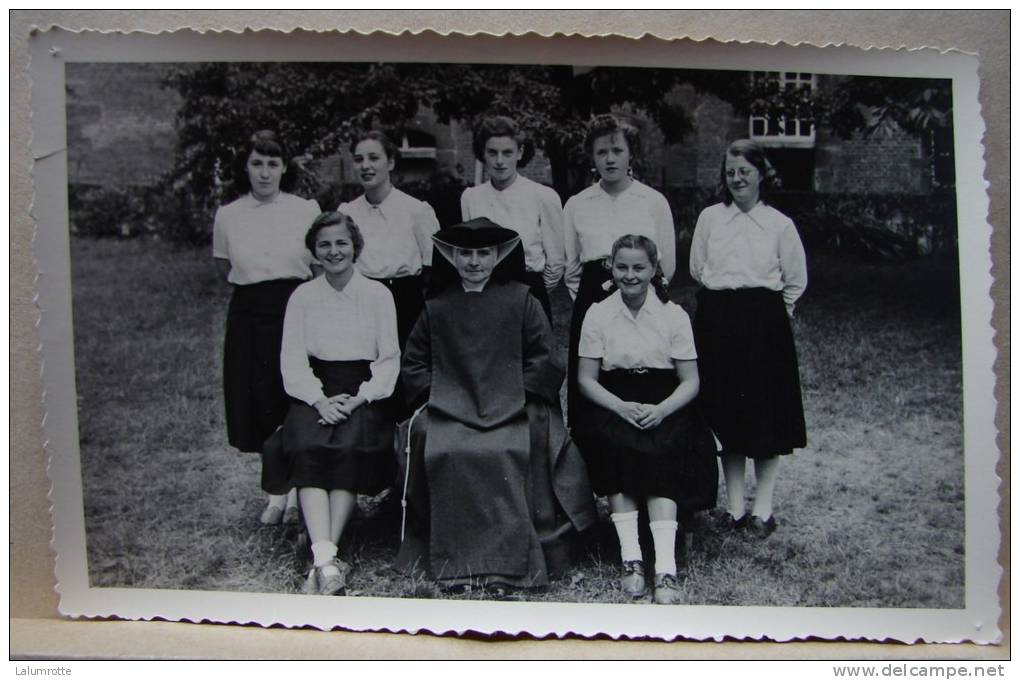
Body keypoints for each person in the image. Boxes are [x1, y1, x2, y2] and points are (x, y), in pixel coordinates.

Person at [394, 217, 596, 595]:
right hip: (451, 409)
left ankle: (510, 562)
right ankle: (454, 562)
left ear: (497, 256)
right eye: (465, 254)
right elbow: (415, 364)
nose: (474, 262)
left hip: (512, 407)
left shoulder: (522, 300)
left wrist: (511, 394)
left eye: (483, 253)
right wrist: (447, 396)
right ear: (452, 258)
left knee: (507, 447)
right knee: (445, 446)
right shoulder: (436, 307)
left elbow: (546, 359)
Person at [261, 212, 399, 596]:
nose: (333, 251)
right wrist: (319, 400)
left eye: (341, 242)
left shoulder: (378, 295)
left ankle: (322, 558)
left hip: (362, 393)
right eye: (324, 244)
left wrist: (359, 400)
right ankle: (327, 562)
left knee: (348, 446)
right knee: (308, 445)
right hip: (315, 391)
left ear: (355, 246)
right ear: (314, 252)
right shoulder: (303, 296)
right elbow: (292, 361)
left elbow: (389, 360)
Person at [574, 234, 717, 605]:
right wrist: (620, 407)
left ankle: (665, 566)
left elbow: (691, 381)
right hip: (614, 400)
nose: (630, 275)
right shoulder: (597, 313)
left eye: (639, 267)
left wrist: (661, 410)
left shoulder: (673, 316)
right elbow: (586, 379)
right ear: (611, 268)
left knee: (664, 450)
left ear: (654, 270)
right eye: (622, 267)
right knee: (614, 446)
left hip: (665, 400)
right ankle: (631, 559)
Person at [689, 139, 808, 538]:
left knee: (765, 418)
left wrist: (770, 315)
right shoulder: (710, 219)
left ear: (761, 173)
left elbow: (794, 281)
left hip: (763, 326)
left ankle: (763, 510)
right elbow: (697, 269)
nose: (737, 178)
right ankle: (735, 508)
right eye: (730, 171)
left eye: (744, 170)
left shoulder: (779, 224)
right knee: (727, 415)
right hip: (718, 321)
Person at [212, 129, 321, 525]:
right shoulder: (228, 215)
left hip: (293, 306)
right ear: (245, 167)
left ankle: (297, 493)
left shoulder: (304, 209)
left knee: (291, 397)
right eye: (257, 163)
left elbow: (318, 264)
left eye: (272, 164)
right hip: (249, 312)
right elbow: (225, 266)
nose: (264, 172)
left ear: (284, 168)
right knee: (257, 402)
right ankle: (277, 494)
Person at [563, 114, 676, 429]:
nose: (609, 159)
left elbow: (667, 264)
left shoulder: (653, 202)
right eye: (601, 152)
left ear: (631, 154)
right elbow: (571, 267)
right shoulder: (577, 204)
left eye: (617, 150)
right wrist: (593, 302)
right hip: (593, 297)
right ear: (592, 157)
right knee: (593, 380)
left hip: (642, 296)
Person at [338, 130, 440, 350]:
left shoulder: (416, 211)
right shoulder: (347, 213)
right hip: (361, 302)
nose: (365, 166)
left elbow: (434, 269)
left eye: (374, 158)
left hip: (405, 303)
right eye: (359, 159)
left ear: (391, 162)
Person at [460, 115, 565, 320]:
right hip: (484, 291)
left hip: (529, 291)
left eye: (507, 152)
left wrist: (532, 292)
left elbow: (556, 262)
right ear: (483, 153)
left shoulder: (543, 196)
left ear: (520, 152)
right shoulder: (471, 197)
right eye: (493, 152)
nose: (500, 161)